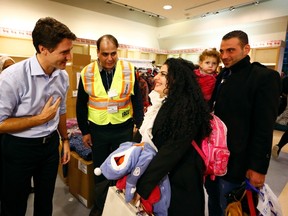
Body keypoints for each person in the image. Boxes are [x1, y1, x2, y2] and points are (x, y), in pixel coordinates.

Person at [0, 17, 76, 216]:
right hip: (18, 149)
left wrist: (65, 140)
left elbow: (60, 110)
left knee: (45, 201)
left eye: (70, 50)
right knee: (14, 203)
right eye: (64, 52)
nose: (70, 57)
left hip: (50, 147)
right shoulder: (11, 78)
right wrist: (39, 119)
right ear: (43, 49)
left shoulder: (62, 76)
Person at [207, 30, 281, 215]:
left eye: (230, 50)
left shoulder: (263, 77)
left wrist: (258, 168)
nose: (224, 56)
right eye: (222, 51)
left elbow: (264, 128)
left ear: (246, 49)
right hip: (214, 160)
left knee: (232, 208)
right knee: (214, 203)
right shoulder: (223, 75)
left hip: (238, 163)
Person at [132, 58, 212, 216]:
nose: (156, 77)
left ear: (176, 79)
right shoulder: (165, 103)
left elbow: (169, 152)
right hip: (165, 178)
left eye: (163, 74)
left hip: (181, 185)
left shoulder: (186, 109)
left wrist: (143, 187)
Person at [76, 34, 144, 216]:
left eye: (113, 53)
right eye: (105, 54)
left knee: (122, 167)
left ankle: (117, 205)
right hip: (98, 130)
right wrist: (85, 131)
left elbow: (137, 99)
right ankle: (100, 205)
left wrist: (140, 125)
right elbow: (81, 104)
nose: (109, 58)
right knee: (100, 169)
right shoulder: (87, 72)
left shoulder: (129, 70)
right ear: (97, 52)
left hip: (123, 128)